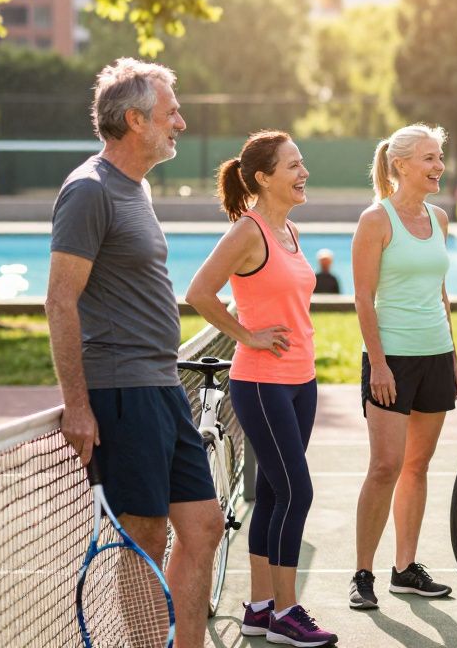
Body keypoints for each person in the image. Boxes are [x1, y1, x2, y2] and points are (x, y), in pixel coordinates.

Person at [46, 58, 222, 648]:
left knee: (202, 527)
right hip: (121, 391)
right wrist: (77, 405)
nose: (182, 121)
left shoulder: (135, 187)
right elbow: (60, 301)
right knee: (145, 542)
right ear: (134, 119)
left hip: (162, 385)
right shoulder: (89, 190)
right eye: (171, 112)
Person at [185, 131, 335, 645]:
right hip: (261, 382)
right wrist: (246, 335)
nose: (303, 173)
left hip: (301, 381)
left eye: (302, 163)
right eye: (293, 166)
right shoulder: (247, 233)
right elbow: (199, 292)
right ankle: (287, 614)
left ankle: (258, 608)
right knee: (298, 492)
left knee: (273, 495)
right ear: (265, 178)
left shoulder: (290, 230)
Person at [349, 124, 457, 610]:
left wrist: (454, 357)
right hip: (391, 360)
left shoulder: (439, 218)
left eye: (440, 158)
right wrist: (378, 364)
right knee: (384, 467)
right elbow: (363, 299)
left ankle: (405, 569)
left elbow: (440, 293)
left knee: (417, 466)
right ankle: (362, 574)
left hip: (436, 356)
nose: (439, 167)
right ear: (401, 165)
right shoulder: (376, 220)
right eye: (429, 159)